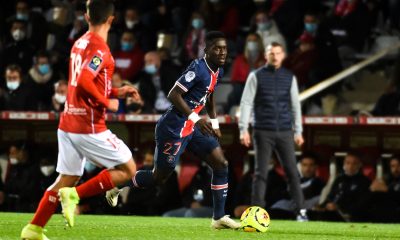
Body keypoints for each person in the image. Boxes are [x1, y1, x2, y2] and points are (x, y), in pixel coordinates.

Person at [20, 1, 140, 239]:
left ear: (86, 17)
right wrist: (108, 103)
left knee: (67, 178)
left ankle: (33, 228)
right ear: (111, 20)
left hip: (67, 123)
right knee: (128, 169)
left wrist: (117, 92)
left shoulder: (79, 43)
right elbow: (85, 80)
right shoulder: (100, 49)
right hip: (88, 126)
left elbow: (84, 82)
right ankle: (75, 195)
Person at [106, 31, 241, 229]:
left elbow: (209, 95)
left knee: (221, 164)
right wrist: (196, 119)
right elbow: (173, 94)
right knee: (159, 177)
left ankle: (218, 218)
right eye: (217, 48)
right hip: (173, 127)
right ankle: (118, 185)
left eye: (225, 49)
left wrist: (215, 122)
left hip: (192, 127)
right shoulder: (198, 68)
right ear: (207, 50)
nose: (222, 53)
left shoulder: (217, 71)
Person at [238, 42, 307, 221]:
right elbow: (246, 103)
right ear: (266, 55)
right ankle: (256, 214)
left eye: (277, 53)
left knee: (292, 172)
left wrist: (298, 131)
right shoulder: (256, 76)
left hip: (285, 131)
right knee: (260, 173)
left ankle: (300, 211)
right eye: (271, 53)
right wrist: (243, 129)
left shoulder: (289, 77)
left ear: (282, 55)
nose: (274, 56)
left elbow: (295, 106)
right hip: (262, 131)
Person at [316, 152, 370, 221]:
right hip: (332, 211)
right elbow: (331, 196)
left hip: (349, 215)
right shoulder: (339, 179)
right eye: (348, 163)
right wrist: (322, 206)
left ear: (360, 165)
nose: (350, 166)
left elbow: (361, 204)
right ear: (344, 164)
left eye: (354, 163)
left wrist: (338, 208)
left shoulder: (364, 181)